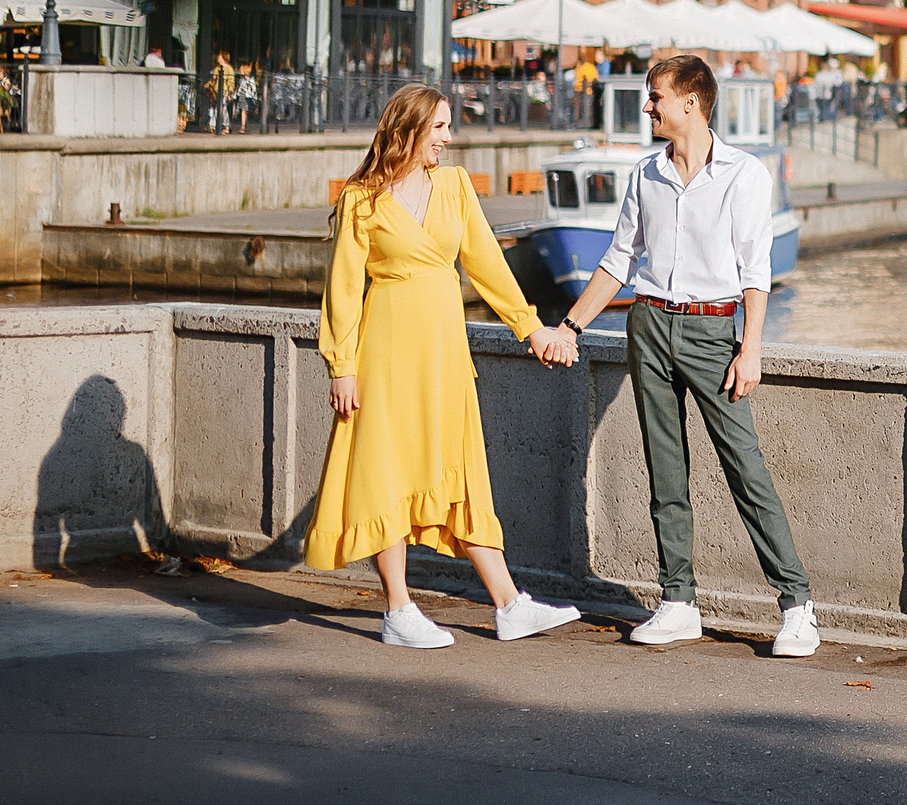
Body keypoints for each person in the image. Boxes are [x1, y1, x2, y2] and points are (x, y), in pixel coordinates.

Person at [551, 52, 817, 657]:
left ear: (691, 102)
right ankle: (678, 602)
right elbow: (619, 260)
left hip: (713, 331)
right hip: (649, 324)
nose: (648, 107)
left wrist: (751, 349)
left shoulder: (744, 174)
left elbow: (755, 270)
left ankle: (797, 606)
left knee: (744, 467)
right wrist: (569, 326)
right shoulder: (646, 173)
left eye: (656, 97)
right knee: (665, 469)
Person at [306, 83, 585, 649]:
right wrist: (341, 365)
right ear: (409, 129)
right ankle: (398, 610)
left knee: (461, 470)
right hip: (384, 354)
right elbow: (343, 289)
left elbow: (487, 264)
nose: (448, 138)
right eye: (439, 127)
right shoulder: (362, 198)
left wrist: (531, 328)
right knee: (386, 472)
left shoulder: (455, 186)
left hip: (444, 355)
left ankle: (509, 605)